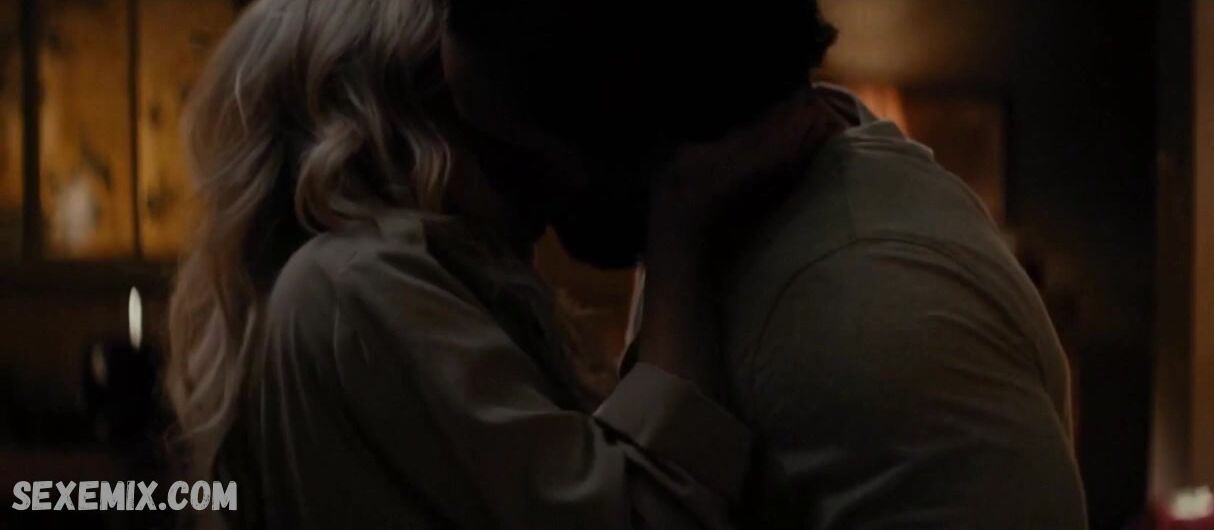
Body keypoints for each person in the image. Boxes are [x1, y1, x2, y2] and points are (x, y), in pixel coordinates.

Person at [164, 0, 826, 527]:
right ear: (408, 105)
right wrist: (679, 236)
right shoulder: (355, 283)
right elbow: (648, 510)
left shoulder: (391, 283)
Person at [442, 0, 1090, 528]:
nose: (497, 198)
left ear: (622, 118)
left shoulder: (867, 314)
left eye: (516, 157)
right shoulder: (712, 219)